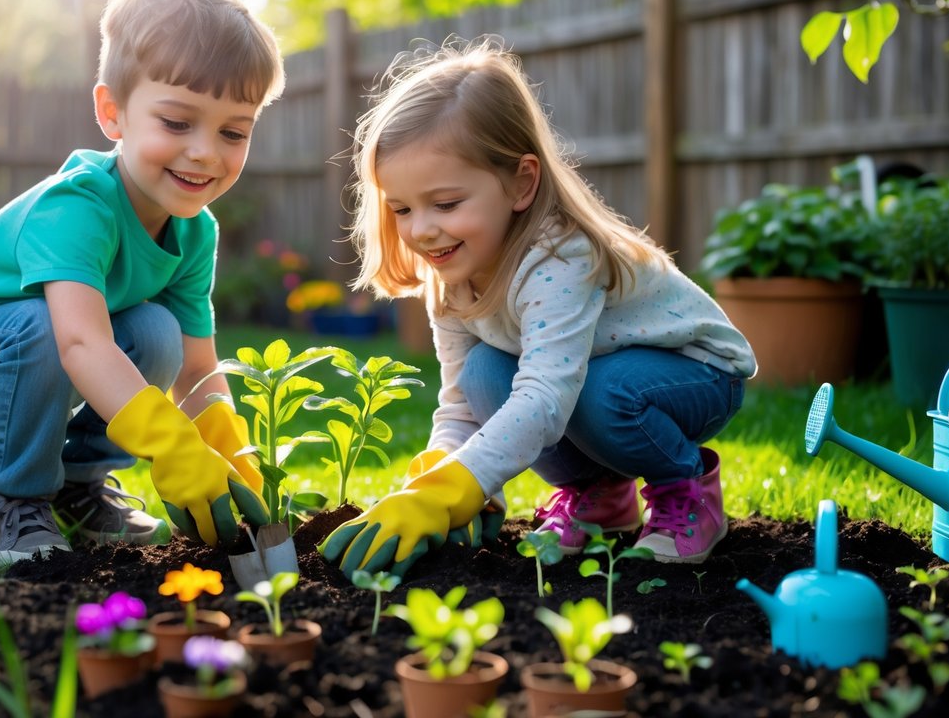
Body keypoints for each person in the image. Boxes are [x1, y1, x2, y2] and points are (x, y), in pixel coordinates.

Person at [322, 36, 756, 580]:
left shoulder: (560, 257)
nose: (421, 229)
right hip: (594, 380)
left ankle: (684, 490)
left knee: (604, 392)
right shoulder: (450, 279)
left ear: (521, 182)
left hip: (696, 374)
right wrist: (438, 480)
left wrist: (464, 483)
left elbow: (547, 397)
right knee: (485, 373)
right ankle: (599, 496)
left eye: (447, 203)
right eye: (402, 209)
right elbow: (461, 407)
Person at [0, 0, 281, 564]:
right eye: (177, 122)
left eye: (234, 132)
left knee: (159, 334)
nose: (205, 152)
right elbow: (80, 344)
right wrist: (167, 444)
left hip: (46, 341)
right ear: (112, 113)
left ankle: (80, 485)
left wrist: (228, 449)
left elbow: (198, 368)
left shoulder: (195, 230)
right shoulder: (77, 207)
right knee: (46, 328)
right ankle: (9, 499)